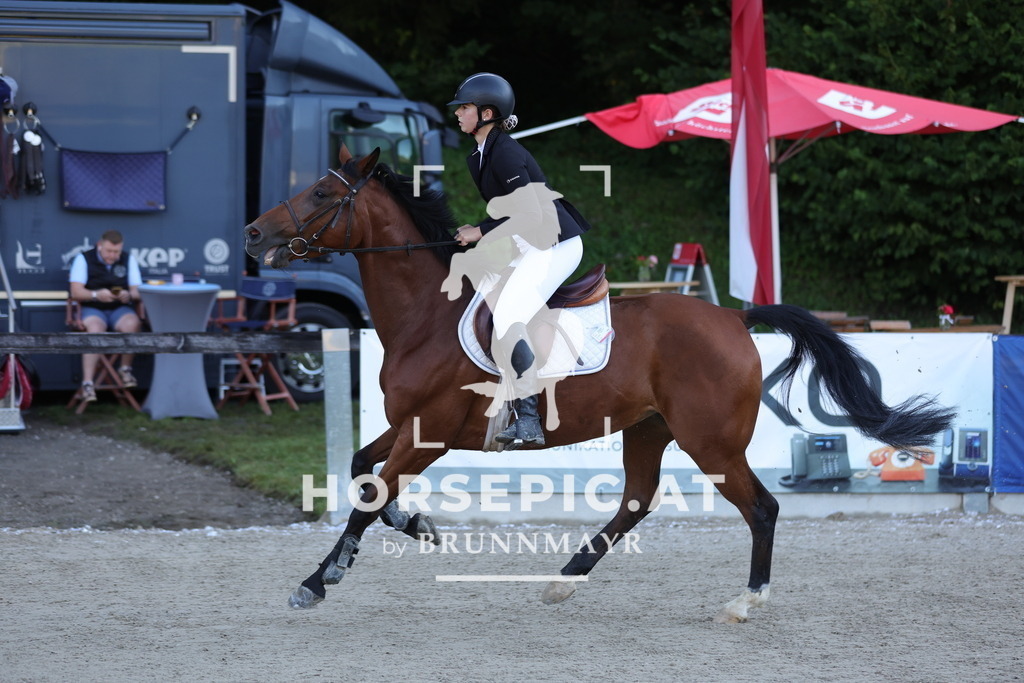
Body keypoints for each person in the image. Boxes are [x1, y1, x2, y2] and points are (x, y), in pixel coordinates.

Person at [448, 72, 591, 448]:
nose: (458, 114)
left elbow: (528, 214)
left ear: (487, 112)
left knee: (509, 313)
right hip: (531, 244)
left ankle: (528, 417)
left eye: (464, 108)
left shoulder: (506, 152)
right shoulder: (479, 155)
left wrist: (479, 232)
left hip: (555, 244)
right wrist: (475, 235)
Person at [68, 229, 143, 402]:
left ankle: (125, 370)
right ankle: (88, 383)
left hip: (118, 308)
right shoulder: (83, 258)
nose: (113, 255)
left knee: (133, 323)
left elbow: (138, 291)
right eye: (109, 251)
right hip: (92, 308)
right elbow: (76, 291)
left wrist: (129, 295)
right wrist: (96, 295)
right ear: (99, 246)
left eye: (116, 251)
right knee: (95, 329)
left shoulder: (128, 259)